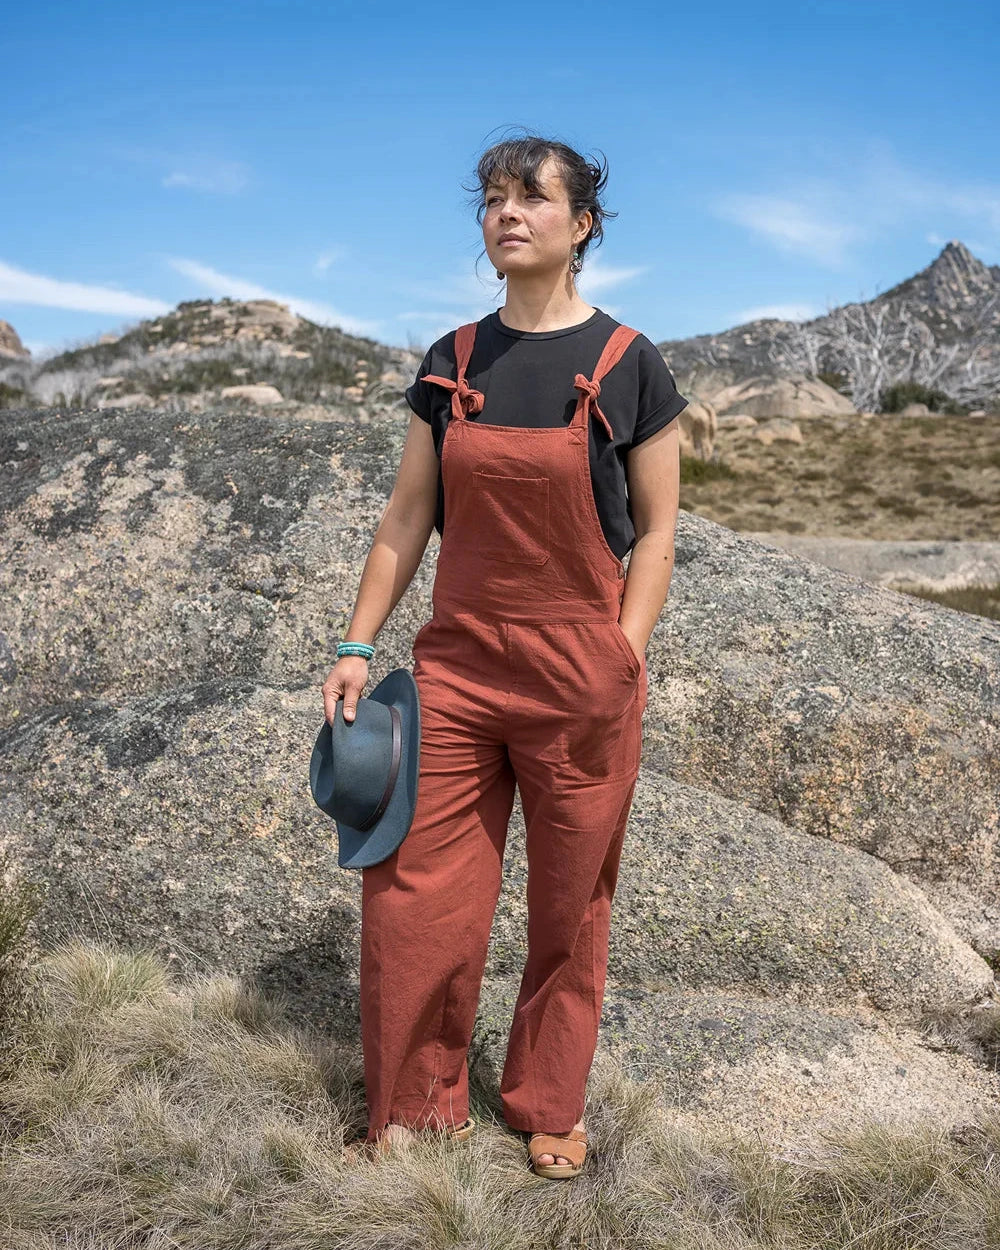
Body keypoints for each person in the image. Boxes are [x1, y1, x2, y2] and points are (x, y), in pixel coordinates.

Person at [323, 132, 685, 1178]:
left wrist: (621, 652)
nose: (507, 214)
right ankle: (412, 1102)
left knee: (571, 902)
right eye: (492, 199)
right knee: (411, 887)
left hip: (581, 675)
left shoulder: (629, 362)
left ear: (581, 224)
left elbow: (659, 532)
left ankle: (547, 1100)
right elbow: (407, 518)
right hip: (458, 671)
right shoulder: (452, 360)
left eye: (531, 197)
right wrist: (357, 643)